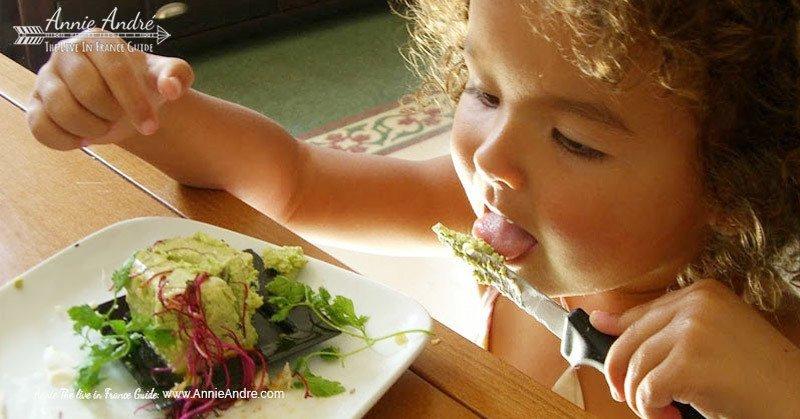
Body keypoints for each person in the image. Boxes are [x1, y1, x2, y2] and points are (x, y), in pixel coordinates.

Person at [27, 1, 800, 417]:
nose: (491, 157)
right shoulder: (485, 221)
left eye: (573, 140)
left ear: (733, 183)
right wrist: (140, 109)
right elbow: (294, 181)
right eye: (484, 92)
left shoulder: (764, 354)